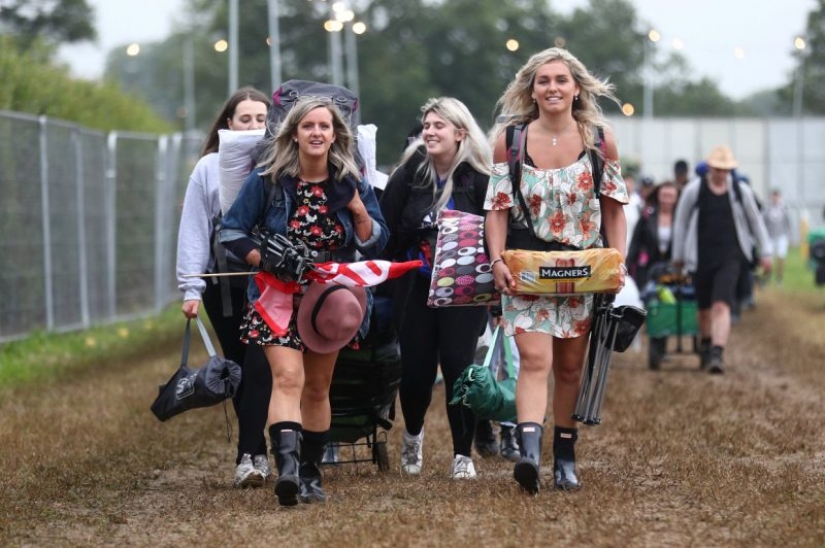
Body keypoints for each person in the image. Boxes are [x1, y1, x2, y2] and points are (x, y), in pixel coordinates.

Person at [219, 97, 388, 506]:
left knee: (317, 387)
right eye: (308, 126)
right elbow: (231, 231)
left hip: (329, 298)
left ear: (335, 135)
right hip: (276, 294)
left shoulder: (352, 181)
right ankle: (289, 472)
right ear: (294, 133)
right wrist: (265, 259)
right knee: (287, 378)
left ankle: (311, 474)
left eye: (323, 126)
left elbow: (376, 241)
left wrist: (358, 210)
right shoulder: (268, 180)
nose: (316, 132)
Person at [484, 47, 628, 494]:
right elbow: (496, 209)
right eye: (543, 81)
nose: (552, 88)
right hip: (527, 269)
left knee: (569, 369)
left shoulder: (600, 140)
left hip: (583, 271)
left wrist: (617, 261)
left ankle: (565, 457)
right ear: (531, 90)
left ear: (576, 88)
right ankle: (529, 454)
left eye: (561, 80)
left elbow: (614, 210)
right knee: (534, 360)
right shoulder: (510, 141)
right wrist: (496, 260)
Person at [379, 97, 492, 480]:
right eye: (426, 125)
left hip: (465, 290)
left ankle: (462, 454)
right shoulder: (409, 175)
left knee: (461, 369)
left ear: (460, 133)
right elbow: (387, 230)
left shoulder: (480, 179)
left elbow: (497, 231)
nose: (429, 131)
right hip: (416, 284)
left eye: (438, 125)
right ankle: (413, 435)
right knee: (416, 372)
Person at [175, 86, 272, 488]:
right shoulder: (208, 168)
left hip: (270, 282)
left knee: (262, 362)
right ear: (228, 124)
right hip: (225, 285)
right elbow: (195, 229)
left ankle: (253, 451)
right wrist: (191, 288)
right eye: (245, 119)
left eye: (261, 119)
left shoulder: (282, 162)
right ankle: (254, 453)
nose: (253, 126)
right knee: (239, 364)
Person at [671, 145, 771, 374]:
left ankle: (717, 352)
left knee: (721, 304)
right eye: (718, 169)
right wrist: (678, 256)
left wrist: (766, 252)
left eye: (725, 169)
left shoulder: (740, 191)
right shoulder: (694, 190)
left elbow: (756, 222)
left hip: (731, 255)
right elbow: (681, 223)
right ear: (710, 168)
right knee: (704, 308)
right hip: (700, 256)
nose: (721, 173)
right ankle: (706, 343)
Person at [627, 180, 679, 292]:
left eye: (671, 196)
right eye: (664, 196)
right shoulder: (647, 216)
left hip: (671, 270)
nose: (667, 200)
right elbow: (635, 242)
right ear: (658, 196)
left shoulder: (680, 219)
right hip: (647, 267)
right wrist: (628, 266)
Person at [762, 188, 792, 285]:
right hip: (769, 237)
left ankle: (779, 278)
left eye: (777, 196)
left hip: (781, 236)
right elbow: (762, 223)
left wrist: (789, 237)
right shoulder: (767, 209)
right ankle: (767, 277)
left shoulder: (784, 209)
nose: (775, 199)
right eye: (773, 196)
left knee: (781, 257)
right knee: (768, 259)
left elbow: (788, 224)